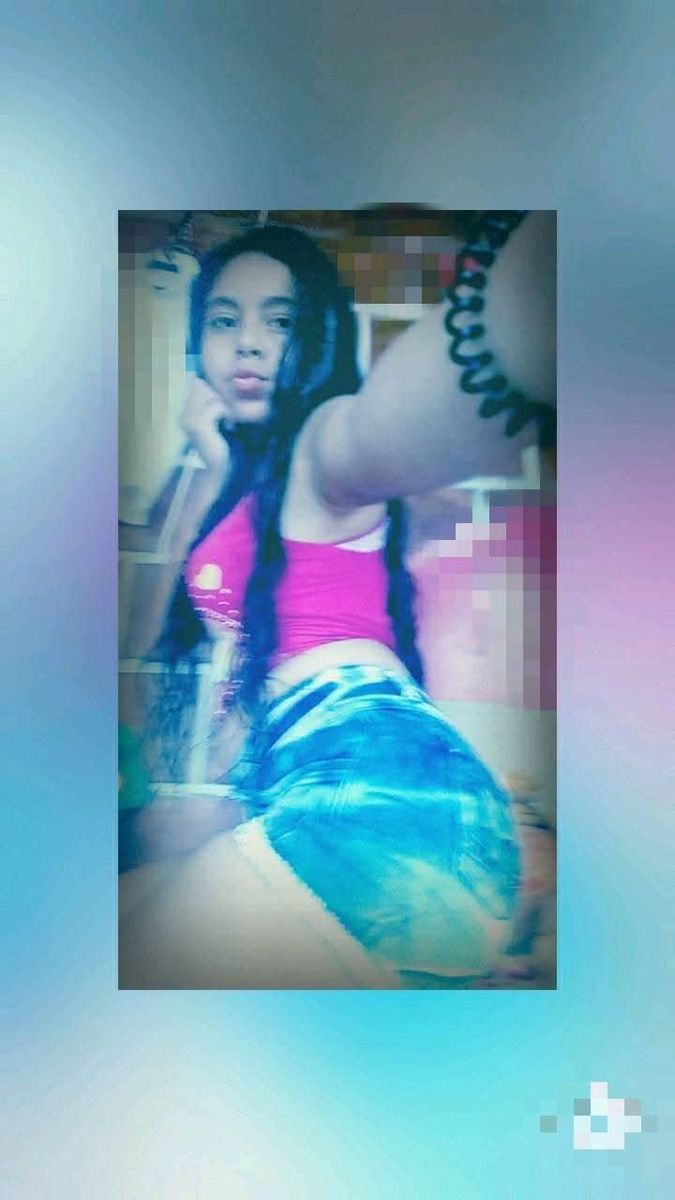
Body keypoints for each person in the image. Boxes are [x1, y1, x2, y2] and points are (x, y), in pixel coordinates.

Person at [119, 213, 556, 989]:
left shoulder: (320, 452)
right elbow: (147, 636)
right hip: (365, 809)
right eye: (224, 320)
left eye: (279, 321)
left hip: (379, 800)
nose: (247, 344)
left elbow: (378, 429)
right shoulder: (241, 487)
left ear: (318, 336)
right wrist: (209, 461)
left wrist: (512, 316)